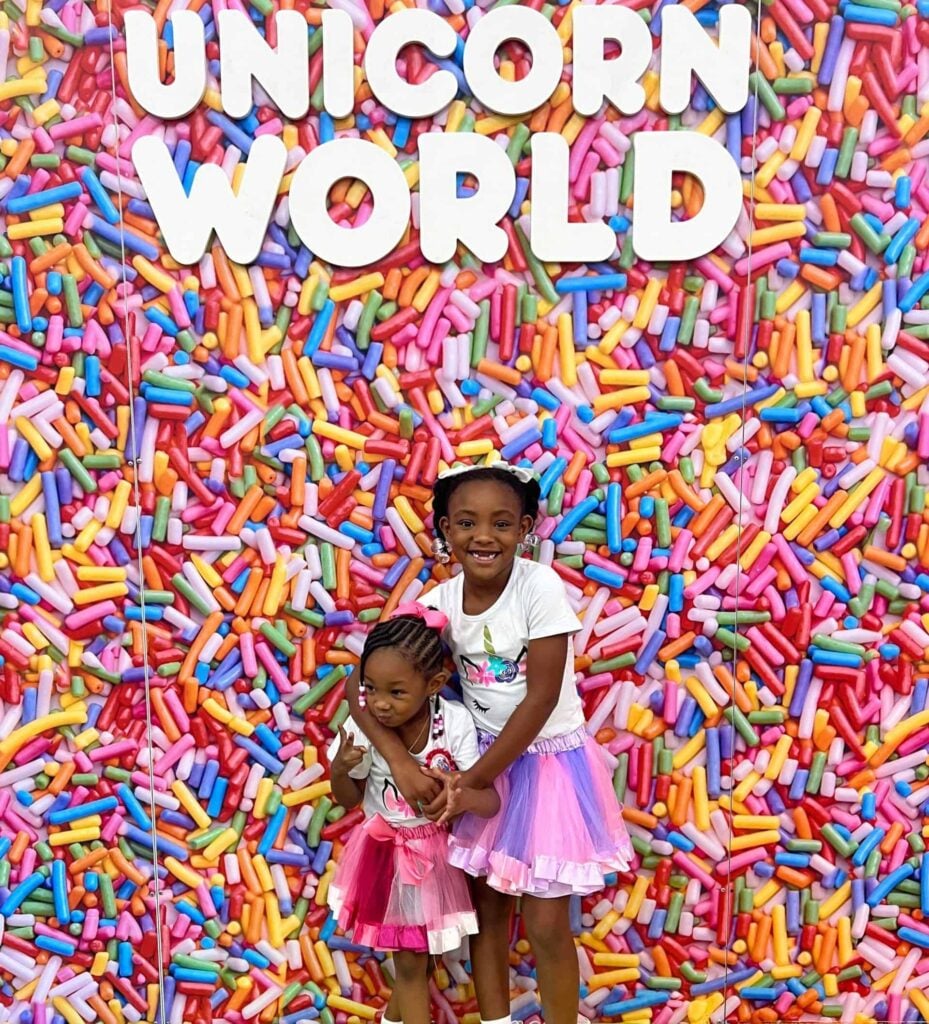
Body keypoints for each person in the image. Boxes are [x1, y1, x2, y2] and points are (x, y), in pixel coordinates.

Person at [347, 462, 632, 1024]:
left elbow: (541, 697)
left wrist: (470, 783)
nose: (484, 536)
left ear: (525, 530)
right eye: (467, 523)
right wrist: (403, 764)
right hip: (474, 758)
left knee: (548, 921)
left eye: (502, 524)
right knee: (488, 910)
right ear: (445, 532)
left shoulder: (538, 587)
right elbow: (363, 688)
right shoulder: (438, 604)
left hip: (545, 766)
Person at [328, 604, 500, 1024]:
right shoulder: (363, 728)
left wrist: (458, 796)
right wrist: (340, 768)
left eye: (397, 692)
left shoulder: (453, 724)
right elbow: (347, 799)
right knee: (408, 961)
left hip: (437, 859)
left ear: (435, 684)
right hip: (385, 856)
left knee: (420, 960)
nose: (381, 705)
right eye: (371, 689)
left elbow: (489, 801)